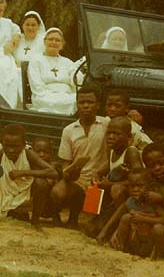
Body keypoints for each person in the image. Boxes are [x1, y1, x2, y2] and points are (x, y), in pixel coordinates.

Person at [50, 85, 108, 228]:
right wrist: (69, 173)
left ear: (98, 105)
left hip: (100, 177)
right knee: (58, 192)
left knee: (93, 222)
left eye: (90, 102)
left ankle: (92, 220)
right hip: (79, 178)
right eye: (82, 103)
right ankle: (71, 219)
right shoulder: (69, 130)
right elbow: (66, 162)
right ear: (77, 105)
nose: (86, 106)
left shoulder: (106, 123)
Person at [0, 124, 58, 230]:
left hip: (26, 192)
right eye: (7, 146)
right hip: (6, 194)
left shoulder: (28, 154)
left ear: (23, 145)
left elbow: (53, 173)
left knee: (40, 183)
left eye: (15, 146)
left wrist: (23, 173)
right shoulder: (0, 154)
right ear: (2, 144)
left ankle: (35, 221)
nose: (11, 150)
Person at [102, 168, 164, 259]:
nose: (135, 189)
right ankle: (120, 248)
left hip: (150, 240)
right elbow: (118, 214)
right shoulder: (130, 201)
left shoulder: (153, 202)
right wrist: (104, 232)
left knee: (159, 228)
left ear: (149, 186)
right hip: (135, 239)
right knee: (125, 217)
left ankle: (159, 258)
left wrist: (143, 219)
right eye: (132, 186)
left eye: (140, 186)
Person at [27, 27, 77, 115]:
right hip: (45, 96)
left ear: (62, 44)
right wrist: (49, 95)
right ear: (44, 41)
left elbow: (76, 81)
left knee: (76, 101)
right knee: (57, 103)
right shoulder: (36, 60)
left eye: (57, 40)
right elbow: (36, 84)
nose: (53, 42)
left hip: (67, 94)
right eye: (50, 39)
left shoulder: (67, 62)